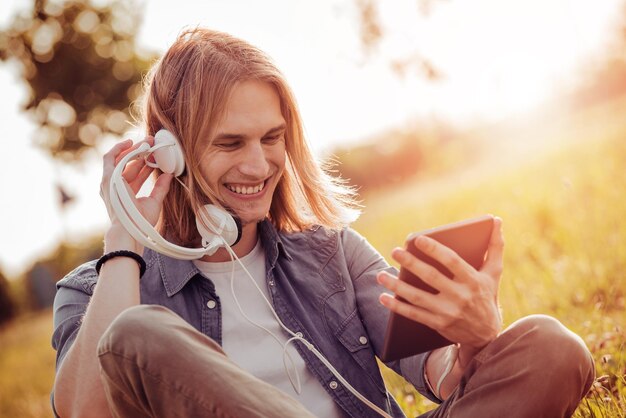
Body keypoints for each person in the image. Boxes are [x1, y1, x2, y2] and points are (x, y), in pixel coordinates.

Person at [51, 28, 595, 418]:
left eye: (271, 138)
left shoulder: (331, 253)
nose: (259, 165)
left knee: (549, 347)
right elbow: (83, 410)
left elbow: (446, 380)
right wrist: (125, 240)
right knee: (134, 334)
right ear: (169, 152)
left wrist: (476, 339)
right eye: (230, 143)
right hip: (130, 285)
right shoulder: (96, 292)